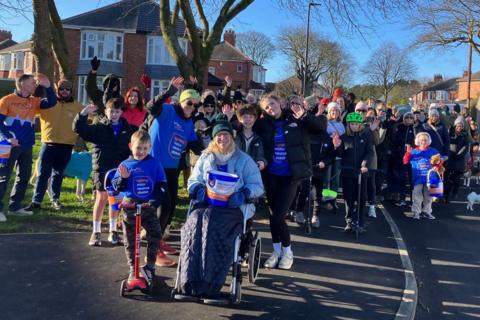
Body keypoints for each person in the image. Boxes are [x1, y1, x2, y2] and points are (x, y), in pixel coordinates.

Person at [182, 116, 264, 298]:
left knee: (213, 223)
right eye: (219, 135)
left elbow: (258, 186)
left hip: (233, 209)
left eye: (226, 135)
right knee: (193, 224)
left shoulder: (244, 160)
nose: (222, 139)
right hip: (206, 206)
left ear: (232, 137)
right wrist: (198, 189)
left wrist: (243, 194)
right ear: (214, 138)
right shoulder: (205, 157)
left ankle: (211, 283)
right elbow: (193, 180)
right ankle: (190, 281)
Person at [255, 94, 326, 270]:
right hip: (271, 175)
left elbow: (320, 128)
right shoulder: (264, 124)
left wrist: (304, 115)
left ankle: (288, 252)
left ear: (280, 102)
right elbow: (245, 123)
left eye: (272, 104)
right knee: (273, 217)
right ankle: (276, 251)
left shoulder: (296, 117)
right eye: (267, 107)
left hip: (291, 176)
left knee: (279, 216)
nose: (271, 108)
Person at [140, 80, 203, 267]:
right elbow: (151, 106)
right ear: (181, 101)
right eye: (189, 103)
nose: (192, 107)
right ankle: (153, 251)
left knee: (172, 205)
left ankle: (159, 239)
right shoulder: (166, 110)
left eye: (195, 104)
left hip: (172, 168)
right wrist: (169, 91)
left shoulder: (188, 122)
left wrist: (211, 149)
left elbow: (194, 144)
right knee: (163, 206)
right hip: (154, 165)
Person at [73, 98, 133, 246]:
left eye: (117, 111)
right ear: (106, 111)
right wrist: (83, 114)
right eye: (111, 111)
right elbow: (79, 129)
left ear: (121, 112)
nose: (114, 114)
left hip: (118, 170)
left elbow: (135, 144)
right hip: (101, 169)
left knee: (115, 200)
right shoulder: (98, 127)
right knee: (101, 199)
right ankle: (96, 231)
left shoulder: (127, 129)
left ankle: (113, 231)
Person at [0, 73, 56, 221]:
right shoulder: (6, 100)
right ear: (23, 84)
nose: (35, 85)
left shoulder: (34, 101)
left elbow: (52, 102)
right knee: (4, 176)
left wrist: (48, 86)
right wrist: (9, 137)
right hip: (9, 146)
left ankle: (15, 207)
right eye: (32, 83)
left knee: (23, 177)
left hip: (27, 145)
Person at [112, 130, 165, 284]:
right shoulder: (125, 165)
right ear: (131, 146)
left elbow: (161, 184)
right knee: (130, 239)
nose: (141, 152)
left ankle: (150, 266)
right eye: (138, 148)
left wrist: (154, 201)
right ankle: (132, 268)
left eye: (145, 148)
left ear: (149, 148)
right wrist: (123, 178)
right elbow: (117, 186)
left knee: (155, 234)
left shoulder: (154, 163)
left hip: (148, 206)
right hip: (130, 206)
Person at [27, 79, 83, 212]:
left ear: (71, 91)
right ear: (57, 89)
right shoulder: (46, 103)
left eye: (67, 89)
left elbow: (88, 120)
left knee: (58, 174)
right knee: (43, 174)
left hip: (66, 146)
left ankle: (55, 199)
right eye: (62, 89)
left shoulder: (78, 106)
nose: (64, 91)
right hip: (48, 144)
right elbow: (30, 109)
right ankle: (36, 200)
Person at [333, 112, 374, 232]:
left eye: (357, 124)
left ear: (361, 125)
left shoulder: (365, 136)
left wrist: (365, 164)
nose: (355, 126)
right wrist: (336, 146)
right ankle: (349, 220)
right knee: (348, 197)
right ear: (348, 125)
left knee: (361, 197)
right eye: (352, 124)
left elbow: (370, 152)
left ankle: (360, 220)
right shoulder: (344, 137)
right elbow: (339, 153)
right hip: (348, 172)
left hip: (362, 172)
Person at [403, 132, 439, 220]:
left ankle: (426, 212)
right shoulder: (413, 151)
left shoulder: (433, 151)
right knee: (416, 195)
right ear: (418, 140)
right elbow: (405, 161)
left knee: (429, 196)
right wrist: (407, 153)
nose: (423, 141)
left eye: (425, 140)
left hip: (430, 177)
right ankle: (416, 212)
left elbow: (439, 162)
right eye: (422, 140)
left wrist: (436, 167)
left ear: (429, 141)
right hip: (417, 178)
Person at [444, 117, 470, 203]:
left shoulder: (464, 135)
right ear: (455, 125)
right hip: (449, 158)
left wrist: (459, 154)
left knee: (456, 180)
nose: (459, 127)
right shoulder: (450, 133)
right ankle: (446, 196)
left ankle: (455, 192)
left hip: (459, 159)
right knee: (447, 179)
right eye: (458, 125)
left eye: (461, 126)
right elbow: (446, 143)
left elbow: (465, 147)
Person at [235, 105, 267, 171]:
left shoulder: (258, 138)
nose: (248, 119)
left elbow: (260, 155)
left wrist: (262, 162)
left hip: (251, 171)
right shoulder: (235, 136)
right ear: (239, 119)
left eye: (251, 117)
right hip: (236, 170)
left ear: (255, 119)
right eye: (245, 117)